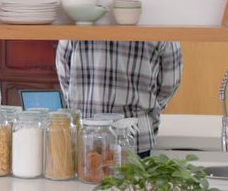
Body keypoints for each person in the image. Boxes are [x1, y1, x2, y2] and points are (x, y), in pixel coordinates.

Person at [55, 41, 183, 157]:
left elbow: (64, 75)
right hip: (136, 136)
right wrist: (148, 111)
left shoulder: (75, 21)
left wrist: (79, 105)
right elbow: (169, 84)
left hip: (85, 137)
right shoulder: (159, 24)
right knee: (133, 183)